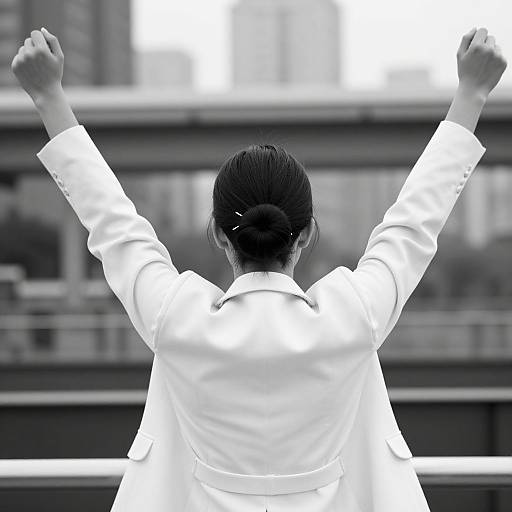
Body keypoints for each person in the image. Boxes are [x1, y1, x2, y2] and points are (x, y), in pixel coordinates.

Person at [11, 26, 507, 512]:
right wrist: (472, 93)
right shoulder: (352, 316)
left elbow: (113, 224)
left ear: (218, 234)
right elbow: (412, 227)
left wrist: (48, 95)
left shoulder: (176, 317)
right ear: (308, 233)